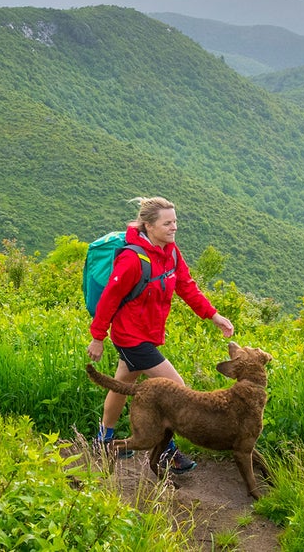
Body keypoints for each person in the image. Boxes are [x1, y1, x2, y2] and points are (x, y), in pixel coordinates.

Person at [87, 196, 234, 473]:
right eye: (167, 223)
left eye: (175, 221)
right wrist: (98, 337)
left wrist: (213, 316)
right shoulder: (132, 259)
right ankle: (167, 453)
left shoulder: (172, 253)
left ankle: (103, 439)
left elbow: (187, 287)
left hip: (148, 334)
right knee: (176, 390)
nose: (174, 227)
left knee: (122, 383)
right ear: (149, 226)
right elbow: (109, 298)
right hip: (130, 337)